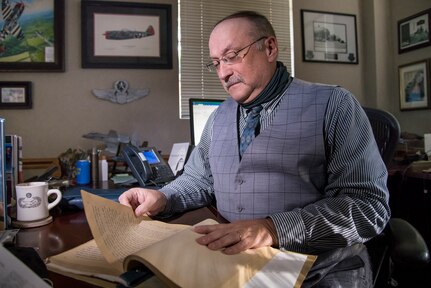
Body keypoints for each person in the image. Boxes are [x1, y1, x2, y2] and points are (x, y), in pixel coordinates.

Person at [119, 11, 390, 287]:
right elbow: (198, 179)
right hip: (233, 267)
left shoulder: (335, 105)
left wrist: (274, 228)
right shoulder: (217, 118)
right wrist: (162, 197)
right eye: (216, 62)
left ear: (269, 48)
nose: (223, 72)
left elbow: (369, 207)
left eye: (233, 55)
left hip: (318, 272)